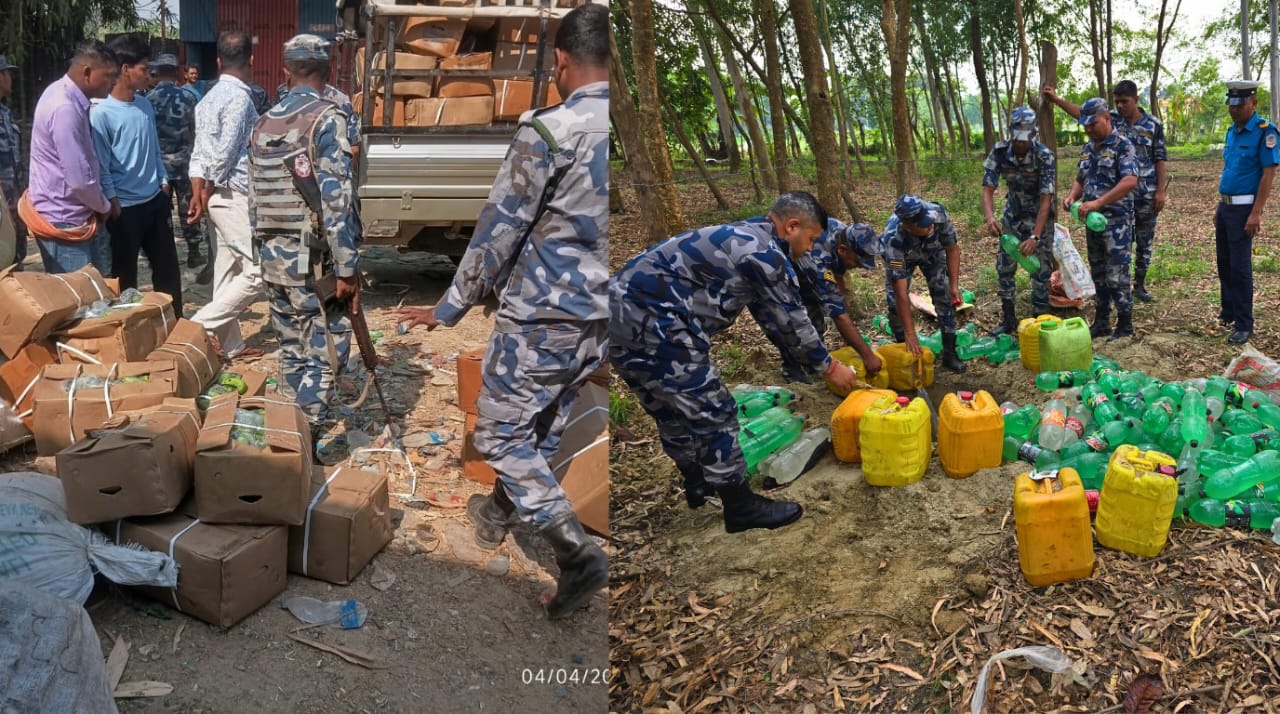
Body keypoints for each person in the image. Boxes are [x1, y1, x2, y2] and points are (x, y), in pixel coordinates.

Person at [395, 4, 611, 619]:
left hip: (546, 312)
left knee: (497, 431)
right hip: (599, 321)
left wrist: (450, 306)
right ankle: (495, 514)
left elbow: (499, 228)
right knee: (542, 418)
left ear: (562, 60)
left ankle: (576, 553)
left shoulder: (552, 129)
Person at [610, 191, 861, 534]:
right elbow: (792, 320)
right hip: (660, 325)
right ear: (792, 226)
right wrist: (831, 367)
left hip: (615, 318)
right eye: (811, 239)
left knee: (668, 409)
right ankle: (741, 507)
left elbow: (770, 317)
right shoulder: (765, 253)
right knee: (715, 412)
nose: (810, 249)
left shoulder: (741, 237)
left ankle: (697, 482)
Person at [248, 33, 360, 451]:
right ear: (328, 70)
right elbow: (337, 201)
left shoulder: (263, 122)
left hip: (272, 258)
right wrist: (347, 267)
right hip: (313, 262)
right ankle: (302, 436)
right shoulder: (328, 118)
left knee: (291, 347)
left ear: (285, 70)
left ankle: (284, 428)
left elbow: (254, 201)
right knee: (330, 347)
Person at [1044, 80, 1167, 302]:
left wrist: (1161, 190)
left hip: (1144, 193)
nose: (1120, 106)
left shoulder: (1153, 124)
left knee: (1144, 241)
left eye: (1125, 102)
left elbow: (1160, 158)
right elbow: (1083, 114)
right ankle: (1119, 287)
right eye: (1117, 102)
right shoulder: (1110, 119)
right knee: (1119, 247)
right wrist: (1056, 99)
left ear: (1136, 100)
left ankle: (1139, 284)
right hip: (1112, 198)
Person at [187, 31, 265, 360]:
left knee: (226, 272)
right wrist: (206, 191)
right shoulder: (239, 99)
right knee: (258, 271)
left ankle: (231, 346)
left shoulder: (206, 99)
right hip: (230, 194)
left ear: (218, 61)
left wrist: (198, 193)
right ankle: (196, 327)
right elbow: (226, 152)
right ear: (251, 61)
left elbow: (199, 154)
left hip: (216, 195)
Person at [92, 35, 182, 317]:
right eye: (144, 68)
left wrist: (163, 181)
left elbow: (154, 149)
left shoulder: (144, 105)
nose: (149, 74)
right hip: (124, 211)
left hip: (155, 201)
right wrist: (113, 200)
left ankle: (175, 327)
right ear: (125, 69)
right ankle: (128, 332)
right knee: (125, 278)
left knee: (168, 273)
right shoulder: (101, 114)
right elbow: (102, 165)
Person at [21, 40, 118, 274]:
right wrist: (104, 205)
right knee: (81, 303)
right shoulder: (65, 108)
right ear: (87, 73)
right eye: (109, 76)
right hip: (64, 219)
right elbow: (79, 180)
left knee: (96, 295)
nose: (114, 83)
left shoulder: (64, 94)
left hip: (75, 214)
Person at [1061, 98, 1139, 340]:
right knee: (1099, 272)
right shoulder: (1088, 148)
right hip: (1091, 221)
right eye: (1085, 125)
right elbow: (1080, 178)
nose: (1088, 128)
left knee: (1117, 273)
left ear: (1106, 118)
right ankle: (1102, 320)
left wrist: (1098, 202)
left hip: (1116, 222)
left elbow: (1130, 181)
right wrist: (1072, 195)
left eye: (1093, 124)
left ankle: (1125, 324)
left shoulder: (1122, 146)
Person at [981, 106, 1057, 334]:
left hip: (1040, 218)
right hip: (1012, 217)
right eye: (1017, 139)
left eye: (1025, 139)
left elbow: (1046, 199)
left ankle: (1041, 318)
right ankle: (1008, 319)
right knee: (1005, 267)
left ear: (1033, 134)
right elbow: (987, 187)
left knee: (1040, 270)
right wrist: (990, 216)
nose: (1021, 144)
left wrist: (1035, 235)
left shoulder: (1044, 155)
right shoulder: (1000, 151)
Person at [779, 217, 883, 381]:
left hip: (805, 273)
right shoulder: (816, 257)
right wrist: (868, 356)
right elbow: (838, 314)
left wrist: (848, 336)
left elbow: (838, 280)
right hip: (778, 275)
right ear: (842, 250)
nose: (860, 266)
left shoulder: (842, 232)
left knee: (816, 323)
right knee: (795, 322)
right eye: (858, 261)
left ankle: (813, 362)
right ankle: (794, 374)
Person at [1216, 80, 1279, 345]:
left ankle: (1244, 323)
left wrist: (1256, 212)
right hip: (1226, 206)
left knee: (1240, 267)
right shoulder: (1232, 132)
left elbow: (1268, 173)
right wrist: (1220, 206)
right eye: (1231, 104)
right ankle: (1228, 311)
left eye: (1240, 105)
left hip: (1245, 209)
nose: (1234, 110)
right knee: (1225, 262)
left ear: (1253, 102)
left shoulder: (1265, 131)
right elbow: (1230, 170)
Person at [881, 194, 966, 372]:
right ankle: (905, 351)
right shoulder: (893, 240)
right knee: (894, 303)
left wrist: (954, 285)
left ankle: (950, 354)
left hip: (933, 254)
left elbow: (952, 248)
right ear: (908, 226)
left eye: (928, 219)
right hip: (905, 258)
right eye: (923, 223)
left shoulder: (937, 214)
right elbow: (901, 293)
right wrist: (910, 333)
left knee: (944, 296)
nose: (930, 225)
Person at [146, 53, 212, 281]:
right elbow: (199, 131)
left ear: (156, 72)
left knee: (161, 212)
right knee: (190, 210)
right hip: (186, 164)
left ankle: (165, 252)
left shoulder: (149, 99)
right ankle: (194, 251)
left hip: (159, 168)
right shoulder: (190, 97)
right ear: (176, 72)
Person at [0, 53, 27, 269]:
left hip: (15, 203)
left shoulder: (6, 112)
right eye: (7, 73)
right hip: (1, 207)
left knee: (16, 262)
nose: (11, 78)